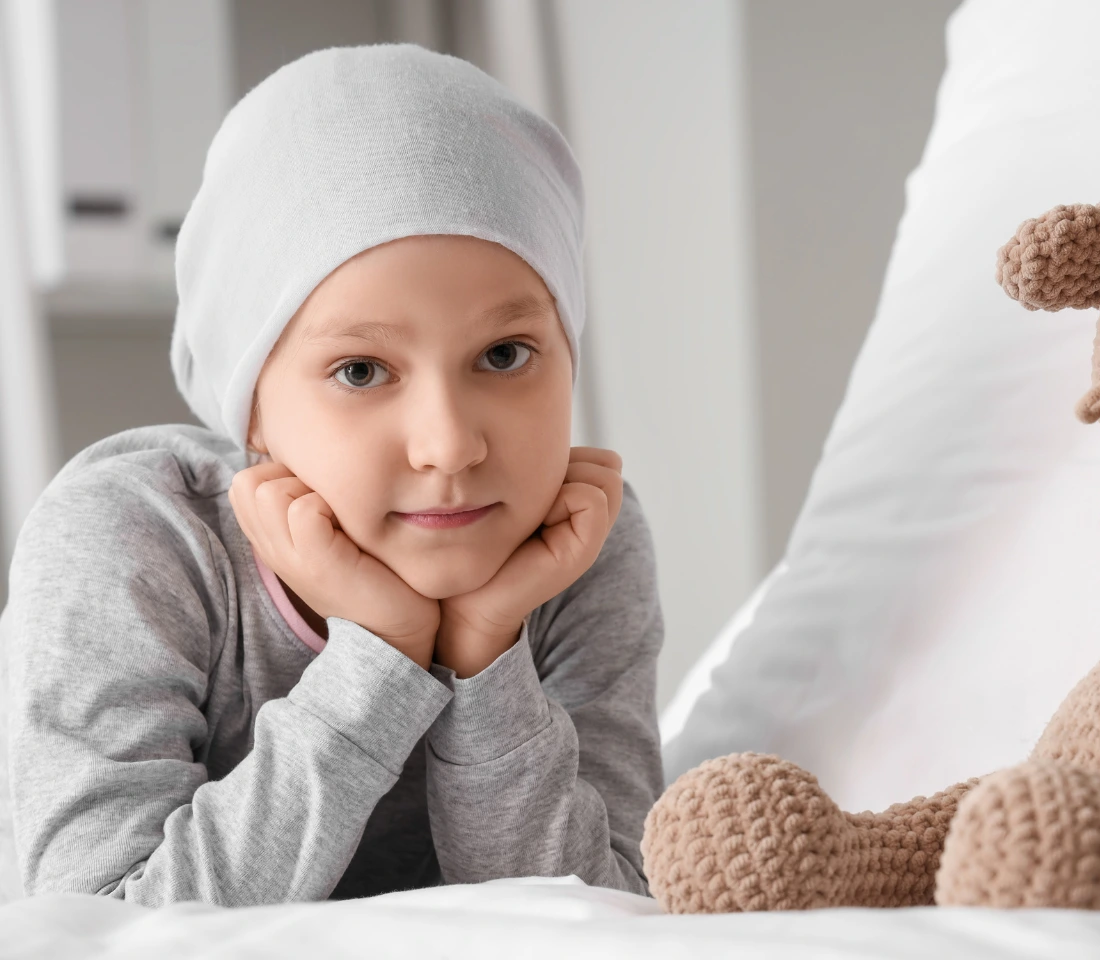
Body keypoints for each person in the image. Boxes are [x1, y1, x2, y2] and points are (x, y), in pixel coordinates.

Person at [1, 44, 663, 906]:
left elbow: (610, 912)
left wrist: (488, 653)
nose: (449, 446)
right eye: (361, 371)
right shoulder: (133, 540)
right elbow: (105, 926)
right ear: (254, 414)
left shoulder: (581, 546)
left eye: (504, 355)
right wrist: (381, 658)